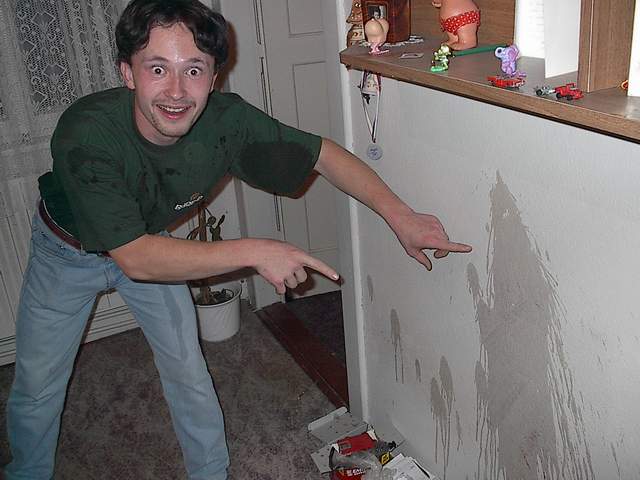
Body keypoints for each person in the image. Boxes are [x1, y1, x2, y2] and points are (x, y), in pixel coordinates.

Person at [3, 0, 472, 478]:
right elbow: (136, 259)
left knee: (187, 370)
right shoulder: (87, 131)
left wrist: (401, 216)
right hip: (67, 251)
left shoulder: (227, 122)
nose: (176, 91)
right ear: (127, 73)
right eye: (157, 69)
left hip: (151, 239)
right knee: (38, 384)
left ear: (214, 78)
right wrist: (257, 251)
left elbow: (322, 155)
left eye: (194, 70)